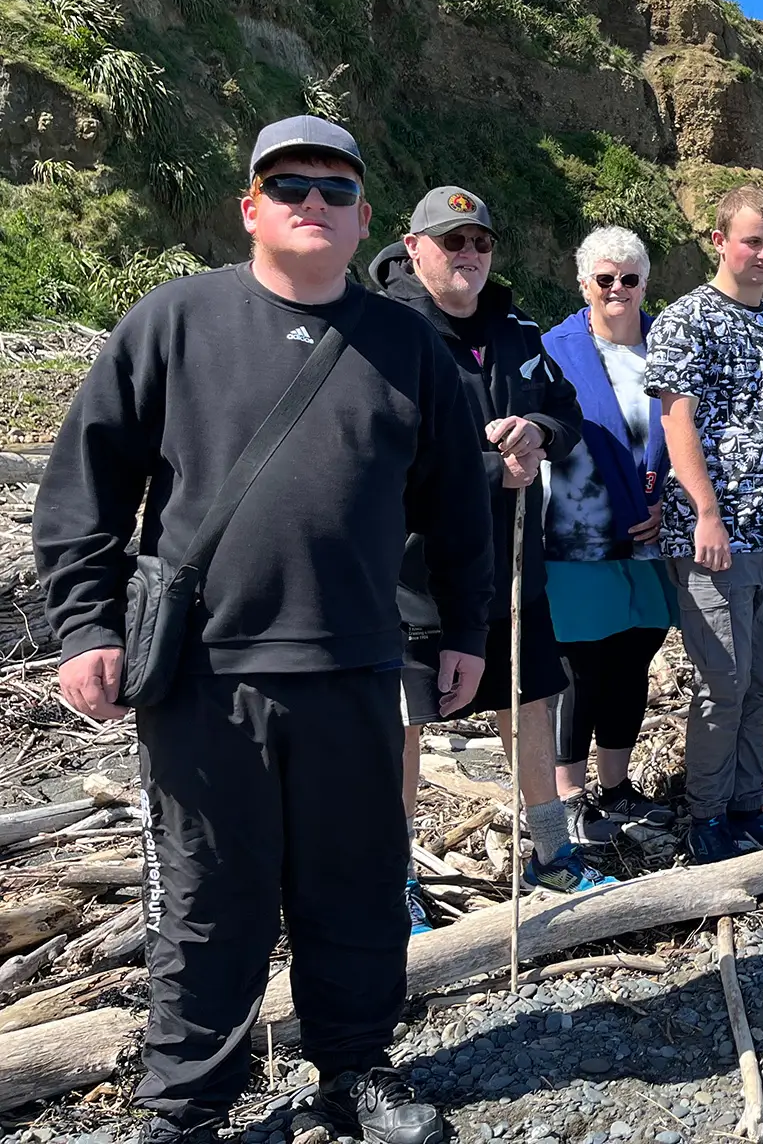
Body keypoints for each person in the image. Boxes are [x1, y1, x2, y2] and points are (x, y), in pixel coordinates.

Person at [34, 116, 491, 1144]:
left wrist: (464, 630)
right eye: (290, 186)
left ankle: (354, 1073)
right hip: (204, 674)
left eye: (336, 190)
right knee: (206, 900)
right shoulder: (171, 322)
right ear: (251, 206)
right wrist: (83, 629)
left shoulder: (409, 346)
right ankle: (188, 1108)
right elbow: (85, 493)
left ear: (366, 216)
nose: (313, 204)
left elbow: (459, 507)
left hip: (359, 665)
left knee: (359, 885)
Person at [372, 189, 609, 911]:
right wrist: (485, 470)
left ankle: (552, 855)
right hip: (412, 578)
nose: (469, 254)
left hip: (512, 569)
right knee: (401, 730)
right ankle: (393, 885)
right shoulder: (382, 333)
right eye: (452, 242)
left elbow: (567, 411)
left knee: (529, 703)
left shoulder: (517, 329)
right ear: (414, 249)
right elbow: (375, 454)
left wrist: (539, 429)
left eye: (479, 241)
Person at [646, 185, 763, 864]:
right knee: (721, 681)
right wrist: (704, 512)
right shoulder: (684, 319)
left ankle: (750, 804)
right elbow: (676, 419)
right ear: (720, 241)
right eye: (753, 240)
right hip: (714, 534)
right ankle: (708, 816)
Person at [541, 226, 679, 843]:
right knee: (583, 665)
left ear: (645, 284)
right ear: (583, 285)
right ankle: (568, 790)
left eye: (629, 278)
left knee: (635, 656)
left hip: (652, 536)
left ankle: (616, 784)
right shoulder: (551, 351)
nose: (617, 289)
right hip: (577, 538)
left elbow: (684, 438)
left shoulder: (666, 350)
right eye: (604, 279)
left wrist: (669, 503)